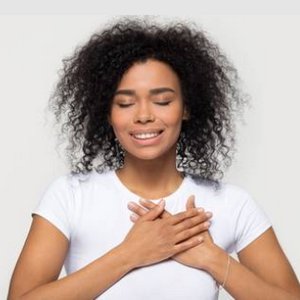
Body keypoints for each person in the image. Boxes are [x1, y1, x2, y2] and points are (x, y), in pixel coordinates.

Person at [8, 17, 300, 300]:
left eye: (162, 101)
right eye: (125, 103)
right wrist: (130, 254)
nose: (144, 115)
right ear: (107, 113)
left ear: (186, 108)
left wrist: (213, 260)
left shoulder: (232, 204)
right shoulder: (70, 196)